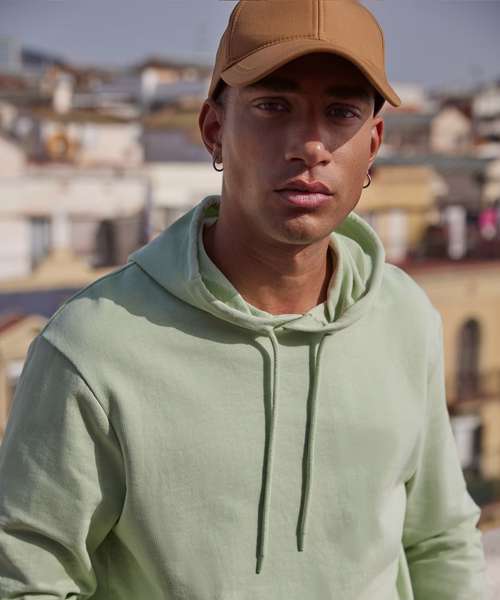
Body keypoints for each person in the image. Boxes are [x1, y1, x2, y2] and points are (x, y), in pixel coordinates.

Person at [0, 1, 486, 598]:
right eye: (273, 106)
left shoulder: (404, 317)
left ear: (374, 143)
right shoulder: (93, 345)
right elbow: (27, 580)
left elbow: (439, 540)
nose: (310, 145)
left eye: (341, 112)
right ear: (214, 130)